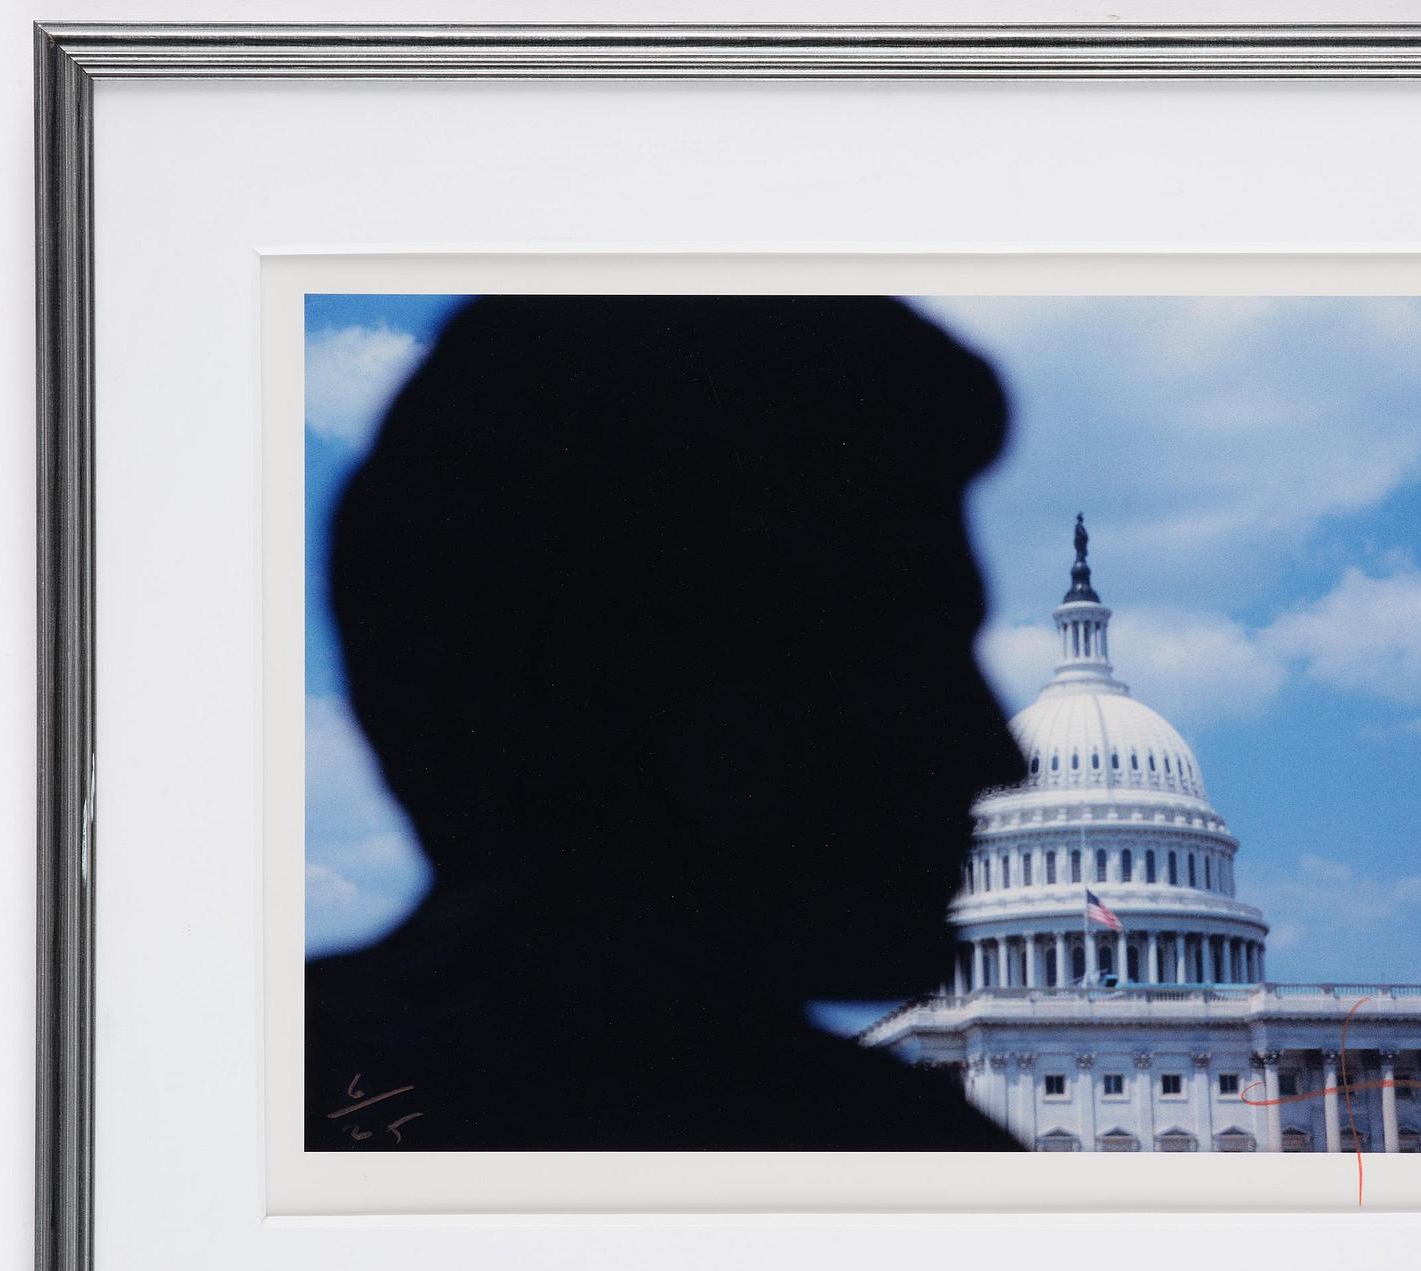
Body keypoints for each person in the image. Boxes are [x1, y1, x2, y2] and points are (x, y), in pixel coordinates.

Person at [306, 296, 1027, 1150]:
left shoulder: (255, 1088)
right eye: (924, 660)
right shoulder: (875, 1152)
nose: (997, 752)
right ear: (721, 739)